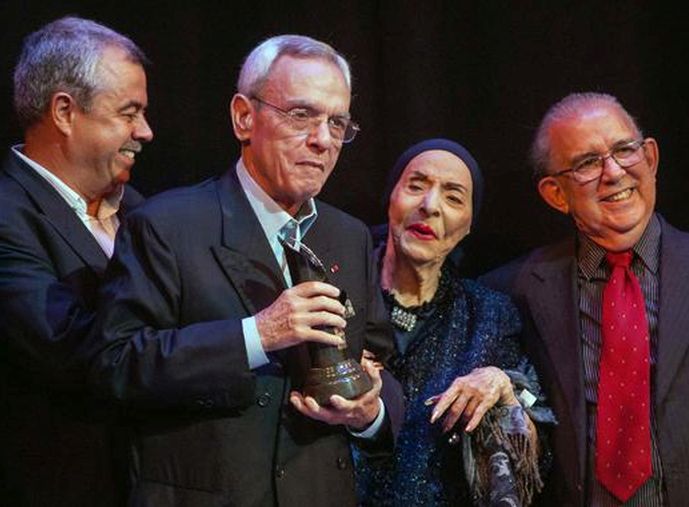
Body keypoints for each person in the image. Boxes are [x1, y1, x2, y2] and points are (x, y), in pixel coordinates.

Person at [90, 35, 404, 506]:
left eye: (337, 123)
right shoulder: (167, 225)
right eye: (301, 115)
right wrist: (257, 335)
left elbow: (381, 362)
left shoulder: (350, 236)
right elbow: (115, 364)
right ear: (244, 117)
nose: (322, 140)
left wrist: (371, 410)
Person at [481, 92, 689, 506]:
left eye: (625, 150)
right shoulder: (512, 291)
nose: (613, 172)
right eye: (587, 163)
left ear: (650, 158)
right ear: (556, 194)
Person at [0, 16, 153, 506]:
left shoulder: (142, 212)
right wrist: (244, 338)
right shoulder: (7, 215)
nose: (145, 132)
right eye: (129, 113)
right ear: (65, 111)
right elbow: (75, 350)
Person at [355, 139, 554, 506]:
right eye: (416, 185)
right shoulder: (339, 293)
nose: (429, 206)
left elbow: (537, 446)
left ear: (467, 227)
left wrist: (505, 387)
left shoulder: (490, 315)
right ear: (391, 198)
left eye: (453, 197)